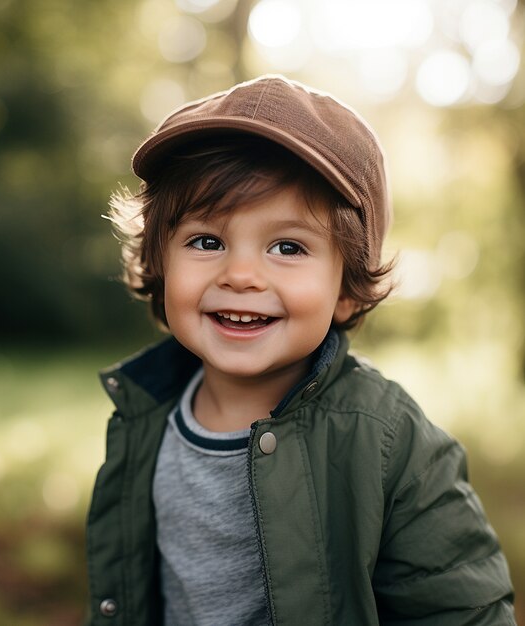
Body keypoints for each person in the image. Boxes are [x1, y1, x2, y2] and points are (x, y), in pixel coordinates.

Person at [85, 75, 515, 625]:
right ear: (161, 263)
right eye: (207, 241)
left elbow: (459, 607)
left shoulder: (389, 441)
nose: (241, 274)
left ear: (347, 289)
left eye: (287, 247)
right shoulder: (145, 413)